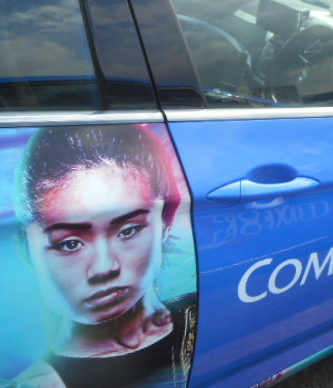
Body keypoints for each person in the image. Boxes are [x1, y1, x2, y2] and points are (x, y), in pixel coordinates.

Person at [11, 124, 196, 388]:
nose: (104, 267)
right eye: (70, 244)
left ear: (166, 222)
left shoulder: (205, 310)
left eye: (128, 230)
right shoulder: (39, 383)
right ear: (25, 249)